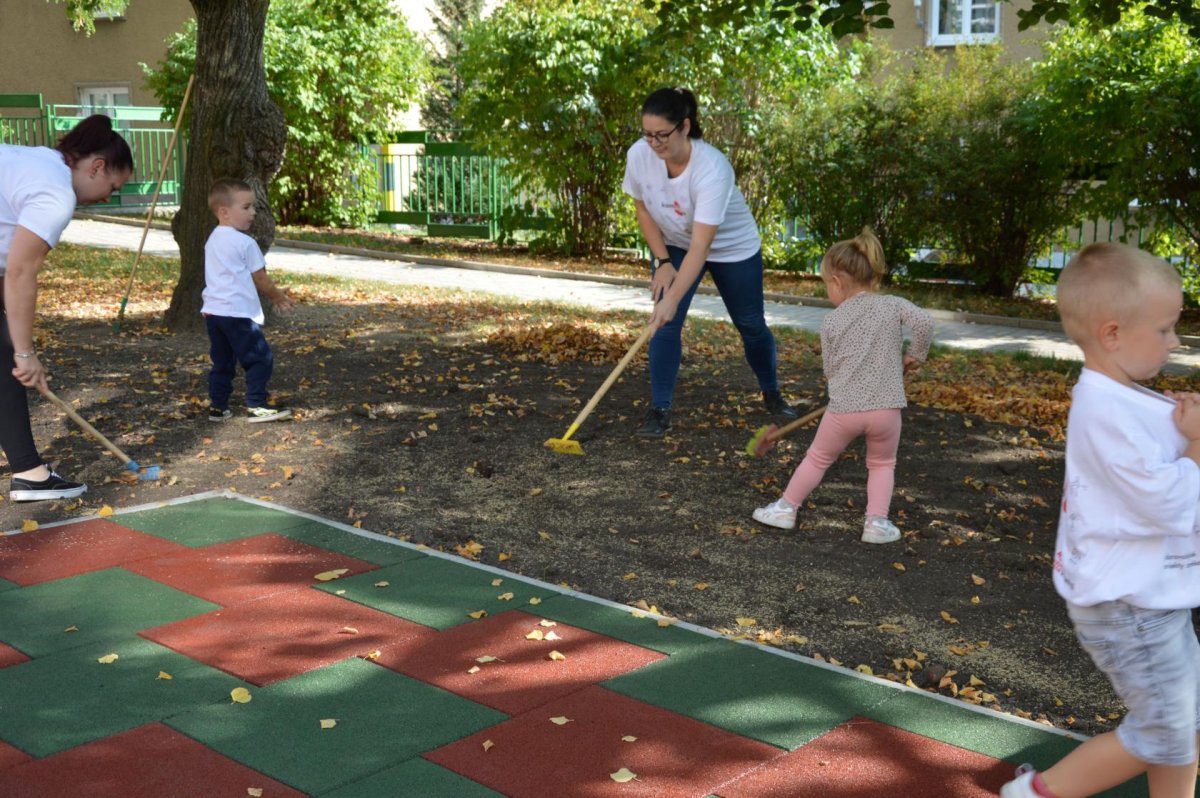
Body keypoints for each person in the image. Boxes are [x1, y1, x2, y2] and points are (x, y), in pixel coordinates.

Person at [1000, 244, 1200, 798]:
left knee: (1184, 724)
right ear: (1113, 334)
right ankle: (1034, 794)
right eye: (1165, 329)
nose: (1175, 342)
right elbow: (1171, 503)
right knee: (1166, 730)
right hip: (1128, 609)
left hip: (1150, 600)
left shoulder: (1125, 399)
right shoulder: (1106, 413)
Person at [622, 87, 797, 438]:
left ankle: (772, 392)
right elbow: (642, 207)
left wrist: (672, 298)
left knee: (750, 324)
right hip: (675, 243)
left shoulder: (712, 168)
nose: (653, 143)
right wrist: (663, 261)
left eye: (662, 135)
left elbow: (702, 246)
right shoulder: (640, 154)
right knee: (664, 324)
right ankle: (660, 410)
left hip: (731, 247)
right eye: (647, 134)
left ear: (685, 126)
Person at [751, 228, 932, 544]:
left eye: (826, 285)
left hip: (844, 410)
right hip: (887, 410)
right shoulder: (893, 305)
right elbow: (925, 323)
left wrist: (849, 383)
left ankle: (785, 509)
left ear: (837, 282)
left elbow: (831, 371)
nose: (827, 292)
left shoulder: (832, 321)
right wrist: (914, 356)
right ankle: (876, 524)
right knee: (882, 464)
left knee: (817, 459)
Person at [0, 115, 132, 501]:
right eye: (112, 187)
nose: (108, 197)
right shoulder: (56, 195)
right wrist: (25, 354)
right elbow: (20, 273)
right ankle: (29, 474)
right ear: (97, 166)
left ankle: (29, 473)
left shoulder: (38, 161)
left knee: (3, 358)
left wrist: (17, 348)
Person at [202, 178, 292, 423]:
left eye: (253, 207)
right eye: (246, 207)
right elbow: (260, 278)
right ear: (224, 212)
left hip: (214, 313)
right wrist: (277, 296)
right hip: (237, 314)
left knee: (223, 361)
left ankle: (218, 407)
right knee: (260, 358)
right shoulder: (246, 243)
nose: (253, 212)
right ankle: (257, 405)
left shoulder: (213, 239)